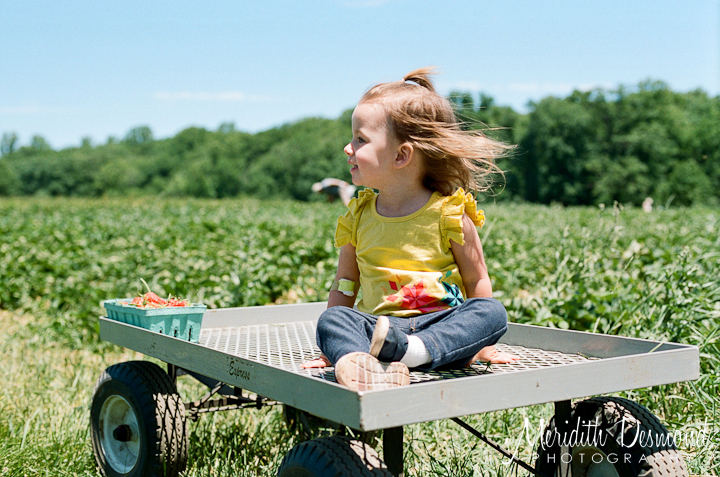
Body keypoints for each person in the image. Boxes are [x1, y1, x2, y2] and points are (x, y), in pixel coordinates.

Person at [302, 67, 517, 391]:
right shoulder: (359, 215)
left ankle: (414, 352)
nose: (348, 148)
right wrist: (331, 349)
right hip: (377, 329)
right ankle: (356, 360)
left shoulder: (450, 214)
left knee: (491, 313)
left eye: (360, 139)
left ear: (402, 155)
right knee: (332, 320)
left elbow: (477, 279)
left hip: (441, 328)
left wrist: (484, 346)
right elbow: (345, 285)